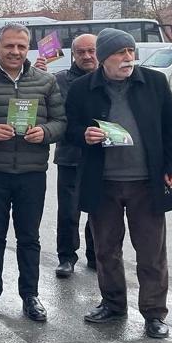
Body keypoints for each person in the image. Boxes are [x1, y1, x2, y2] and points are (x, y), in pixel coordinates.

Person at [66, 28, 172, 339]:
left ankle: (154, 314)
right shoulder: (82, 88)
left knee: (151, 253)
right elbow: (70, 128)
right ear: (104, 58)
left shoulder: (154, 83)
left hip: (147, 182)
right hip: (102, 183)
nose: (128, 58)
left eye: (131, 51)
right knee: (106, 249)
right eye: (120, 53)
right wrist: (84, 135)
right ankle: (113, 303)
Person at [0, 22, 65, 322]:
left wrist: (44, 132)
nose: (15, 52)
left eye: (21, 46)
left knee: (29, 237)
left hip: (32, 171)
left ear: (27, 48)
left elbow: (61, 122)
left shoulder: (46, 82)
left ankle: (30, 295)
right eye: (9, 46)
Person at [52, 33, 98, 278]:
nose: (87, 56)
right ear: (73, 54)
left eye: (91, 51)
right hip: (70, 154)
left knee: (99, 208)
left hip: (103, 156)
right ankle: (66, 257)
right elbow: (59, 118)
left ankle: (95, 254)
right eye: (81, 52)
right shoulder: (61, 80)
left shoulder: (110, 78)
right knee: (69, 210)